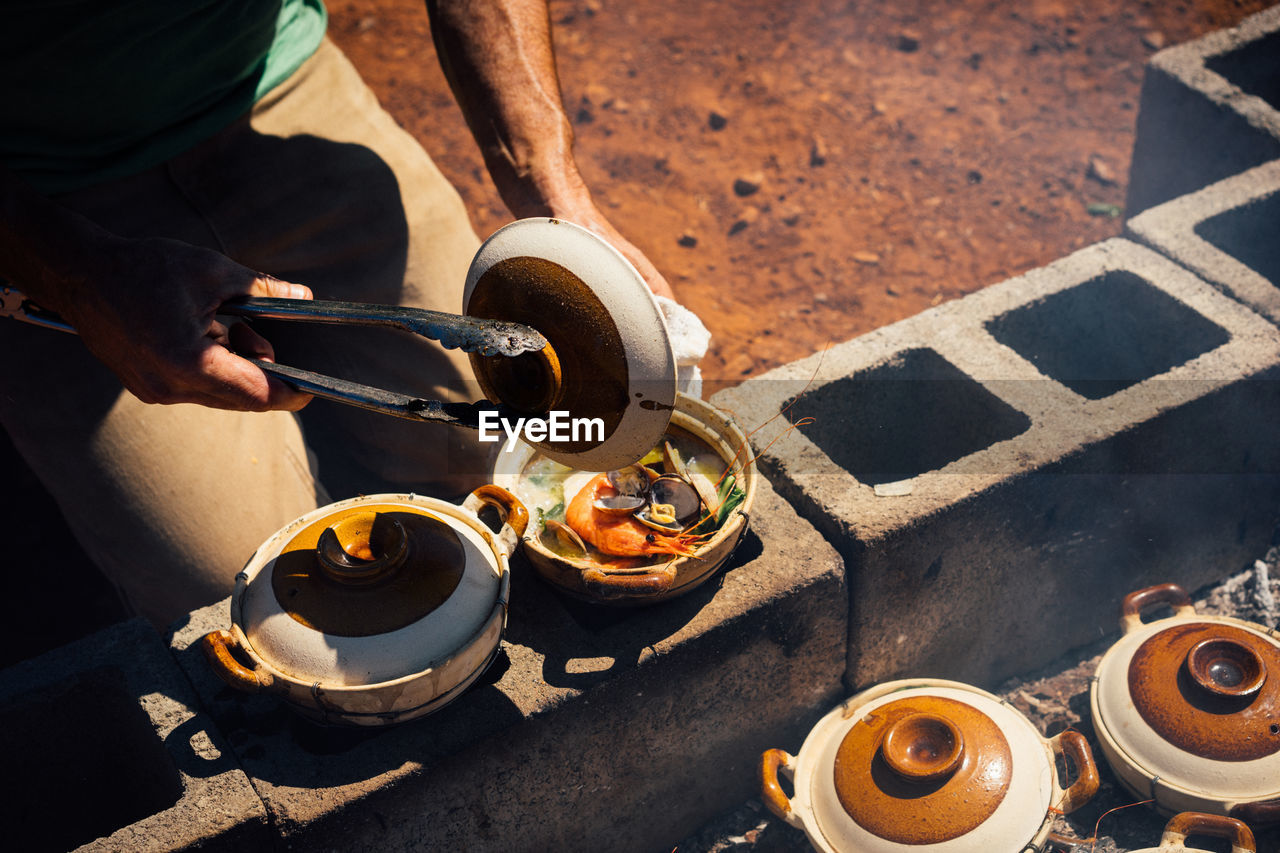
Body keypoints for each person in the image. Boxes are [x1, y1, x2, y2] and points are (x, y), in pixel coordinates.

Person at [0, 0, 676, 627]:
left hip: (272, 84)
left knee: (508, 449)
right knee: (246, 589)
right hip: (41, 190)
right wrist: (76, 279)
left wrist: (552, 192)